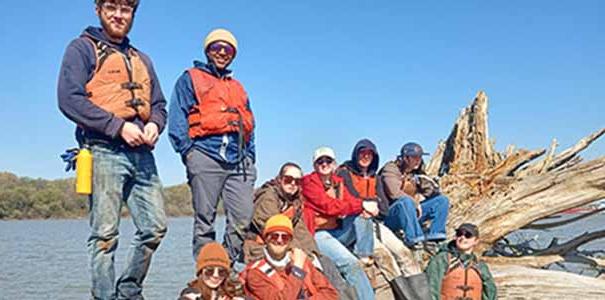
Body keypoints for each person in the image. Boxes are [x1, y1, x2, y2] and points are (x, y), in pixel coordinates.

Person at [57, 0, 167, 298]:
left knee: (155, 228)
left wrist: (156, 124)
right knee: (105, 235)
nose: (119, 15)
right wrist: (117, 126)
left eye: (126, 9)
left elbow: (158, 104)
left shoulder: (142, 58)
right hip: (103, 149)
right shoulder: (81, 48)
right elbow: (69, 99)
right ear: (98, 9)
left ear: (133, 13)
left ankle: (129, 290)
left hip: (143, 155)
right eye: (112, 7)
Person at [168, 28, 256, 265]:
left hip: (239, 161)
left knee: (243, 217)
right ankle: (206, 272)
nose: (222, 52)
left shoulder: (238, 87)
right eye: (216, 48)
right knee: (205, 220)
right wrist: (189, 153)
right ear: (208, 51)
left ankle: (225, 267)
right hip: (205, 155)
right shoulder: (190, 78)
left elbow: (250, 123)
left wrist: (250, 157)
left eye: (227, 50)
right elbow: (177, 117)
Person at [244, 162, 357, 299]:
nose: (292, 184)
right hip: (262, 248)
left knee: (326, 264)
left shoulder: (295, 202)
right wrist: (299, 260)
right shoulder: (267, 198)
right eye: (288, 179)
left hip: (287, 247)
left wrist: (314, 255)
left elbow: (301, 232)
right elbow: (276, 232)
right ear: (279, 179)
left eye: (297, 181)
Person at [337, 139, 430, 299]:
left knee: (403, 253)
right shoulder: (345, 173)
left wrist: (373, 207)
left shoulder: (376, 178)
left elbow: (384, 207)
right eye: (362, 153)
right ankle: (406, 296)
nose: (365, 157)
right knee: (385, 257)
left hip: (375, 221)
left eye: (369, 154)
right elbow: (349, 197)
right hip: (355, 224)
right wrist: (365, 205)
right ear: (356, 154)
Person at [302, 146, 378, 300]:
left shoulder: (338, 182)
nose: (324, 164)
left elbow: (350, 201)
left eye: (328, 160)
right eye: (320, 161)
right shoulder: (308, 183)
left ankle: (365, 256)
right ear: (314, 165)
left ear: (334, 163)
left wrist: (366, 206)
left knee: (364, 215)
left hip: (336, 231)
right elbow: (328, 206)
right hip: (319, 234)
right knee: (351, 264)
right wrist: (363, 204)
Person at [243, 214, 339, 300]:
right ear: (266, 239)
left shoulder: (302, 262)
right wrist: (297, 270)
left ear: (290, 241)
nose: (279, 241)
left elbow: (331, 294)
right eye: (274, 236)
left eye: (285, 237)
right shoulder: (255, 273)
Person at [381, 142, 449, 253]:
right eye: (415, 157)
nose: (418, 160)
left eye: (420, 157)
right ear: (405, 158)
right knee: (405, 201)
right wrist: (416, 203)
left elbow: (430, 192)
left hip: (410, 213)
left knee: (442, 201)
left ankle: (434, 237)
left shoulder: (416, 173)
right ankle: (415, 239)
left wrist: (429, 186)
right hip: (390, 216)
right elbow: (394, 193)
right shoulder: (390, 169)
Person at [425, 223, 497, 300]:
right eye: (459, 234)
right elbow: (431, 289)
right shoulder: (443, 259)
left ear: (476, 241)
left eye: (468, 235)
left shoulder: (480, 266)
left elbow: (490, 293)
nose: (462, 237)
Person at [179, 242, 246, 300]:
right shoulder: (190, 296)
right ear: (201, 272)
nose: (216, 275)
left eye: (221, 272)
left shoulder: (233, 292)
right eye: (209, 271)